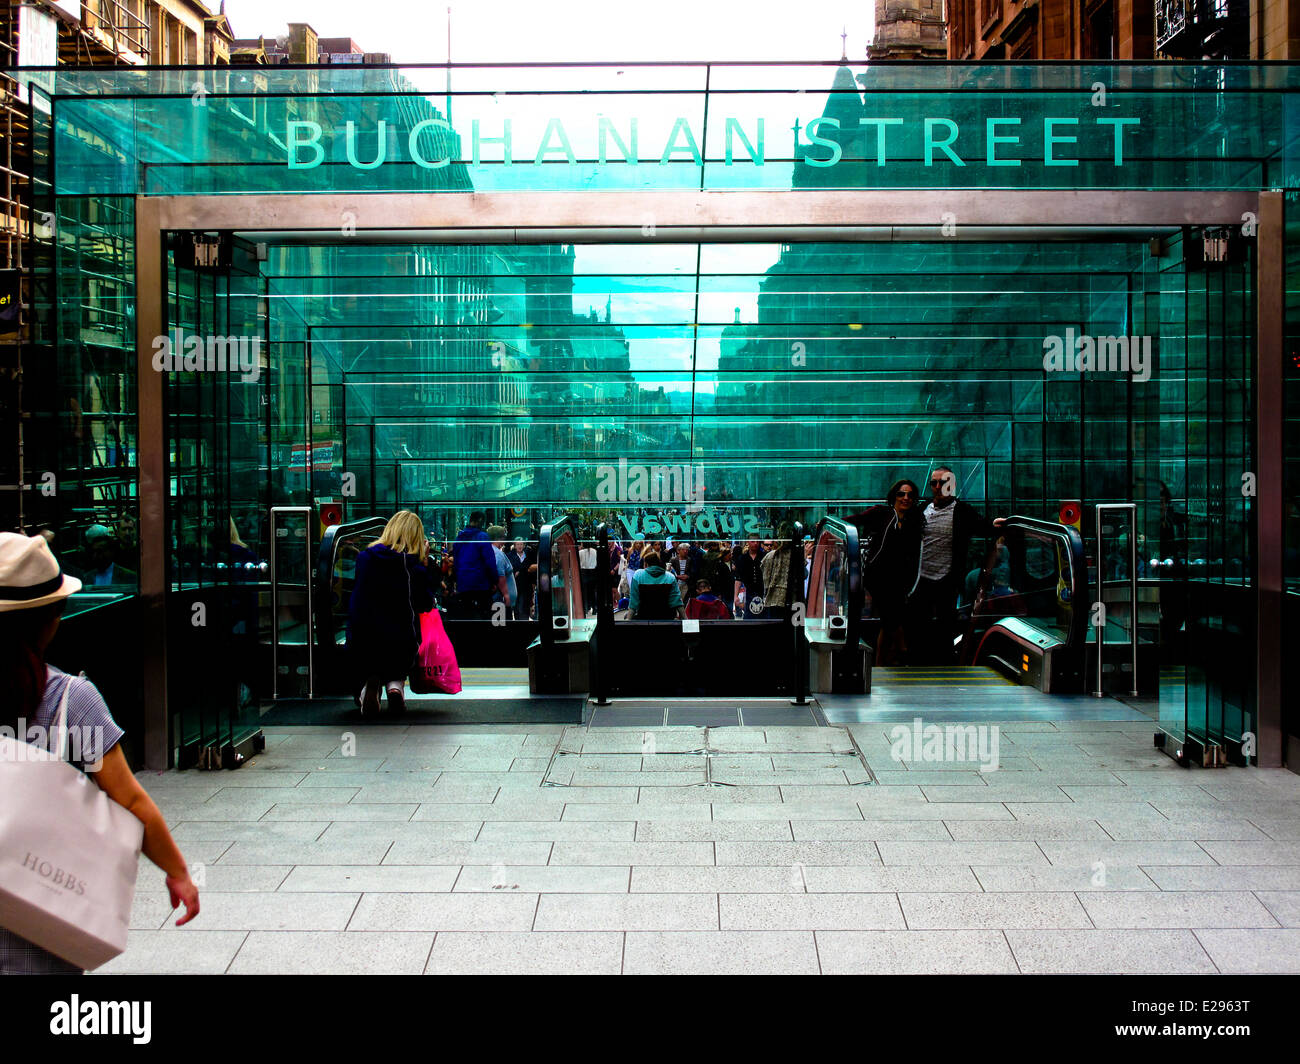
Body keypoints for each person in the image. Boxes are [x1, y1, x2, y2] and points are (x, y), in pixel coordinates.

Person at [0, 533, 200, 974]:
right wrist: (177, 872)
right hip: (39, 925)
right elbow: (128, 799)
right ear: (51, 619)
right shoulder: (70, 701)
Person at [908, 466, 1005, 664]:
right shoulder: (922, 510)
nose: (936, 487)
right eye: (933, 483)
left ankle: (943, 662)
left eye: (942, 482)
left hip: (947, 578)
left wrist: (996, 526)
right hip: (921, 577)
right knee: (919, 622)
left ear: (951, 485)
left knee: (946, 623)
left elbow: (984, 526)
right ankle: (918, 660)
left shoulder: (962, 511)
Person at [346, 511, 437, 714]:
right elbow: (425, 604)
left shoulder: (365, 558)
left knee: (372, 650)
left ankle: (368, 687)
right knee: (405, 636)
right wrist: (424, 564)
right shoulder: (412, 565)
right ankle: (395, 686)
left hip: (362, 638)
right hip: (400, 643)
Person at [857, 479, 925, 665]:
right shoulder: (882, 513)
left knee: (888, 623)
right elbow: (857, 519)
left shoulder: (914, 520)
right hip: (878, 577)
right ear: (894, 495)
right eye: (901, 494)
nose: (906, 498)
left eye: (910, 495)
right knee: (891, 615)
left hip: (901, 580)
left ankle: (880, 664)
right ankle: (903, 652)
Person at [450, 511, 498, 619]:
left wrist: (457, 580)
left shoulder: (459, 537)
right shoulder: (482, 537)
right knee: (485, 617)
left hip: (463, 584)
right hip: (481, 584)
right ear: (481, 521)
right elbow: (490, 561)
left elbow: (456, 562)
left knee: (466, 617)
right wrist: (494, 580)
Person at [628, 550, 684, 620]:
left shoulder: (638, 575)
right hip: (667, 619)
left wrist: (628, 620)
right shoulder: (670, 577)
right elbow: (676, 601)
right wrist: (686, 619)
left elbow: (634, 601)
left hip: (644, 618)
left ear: (646, 564)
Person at [733, 536, 765, 618]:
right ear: (748, 542)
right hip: (748, 593)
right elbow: (738, 578)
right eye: (753, 541)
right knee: (749, 618)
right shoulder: (742, 558)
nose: (755, 543)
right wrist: (736, 596)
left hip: (763, 592)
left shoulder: (764, 556)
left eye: (757, 541)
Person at [487, 525, 515, 618]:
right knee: (500, 627)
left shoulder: (492, 551)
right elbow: (500, 576)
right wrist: (506, 595)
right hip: (500, 600)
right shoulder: (497, 554)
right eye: (504, 536)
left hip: (499, 599)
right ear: (499, 538)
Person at [508, 538, 534, 620]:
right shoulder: (509, 556)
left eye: (521, 544)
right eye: (518, 544)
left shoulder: (529, 555)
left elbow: (531, 569)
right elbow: (510, 570)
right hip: (515, 586)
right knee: (516, 608)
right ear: (514, 546)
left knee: (524, 607)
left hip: (526, 586)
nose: (519, 546)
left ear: (524, 545)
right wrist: (523, 569)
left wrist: (520, 571)